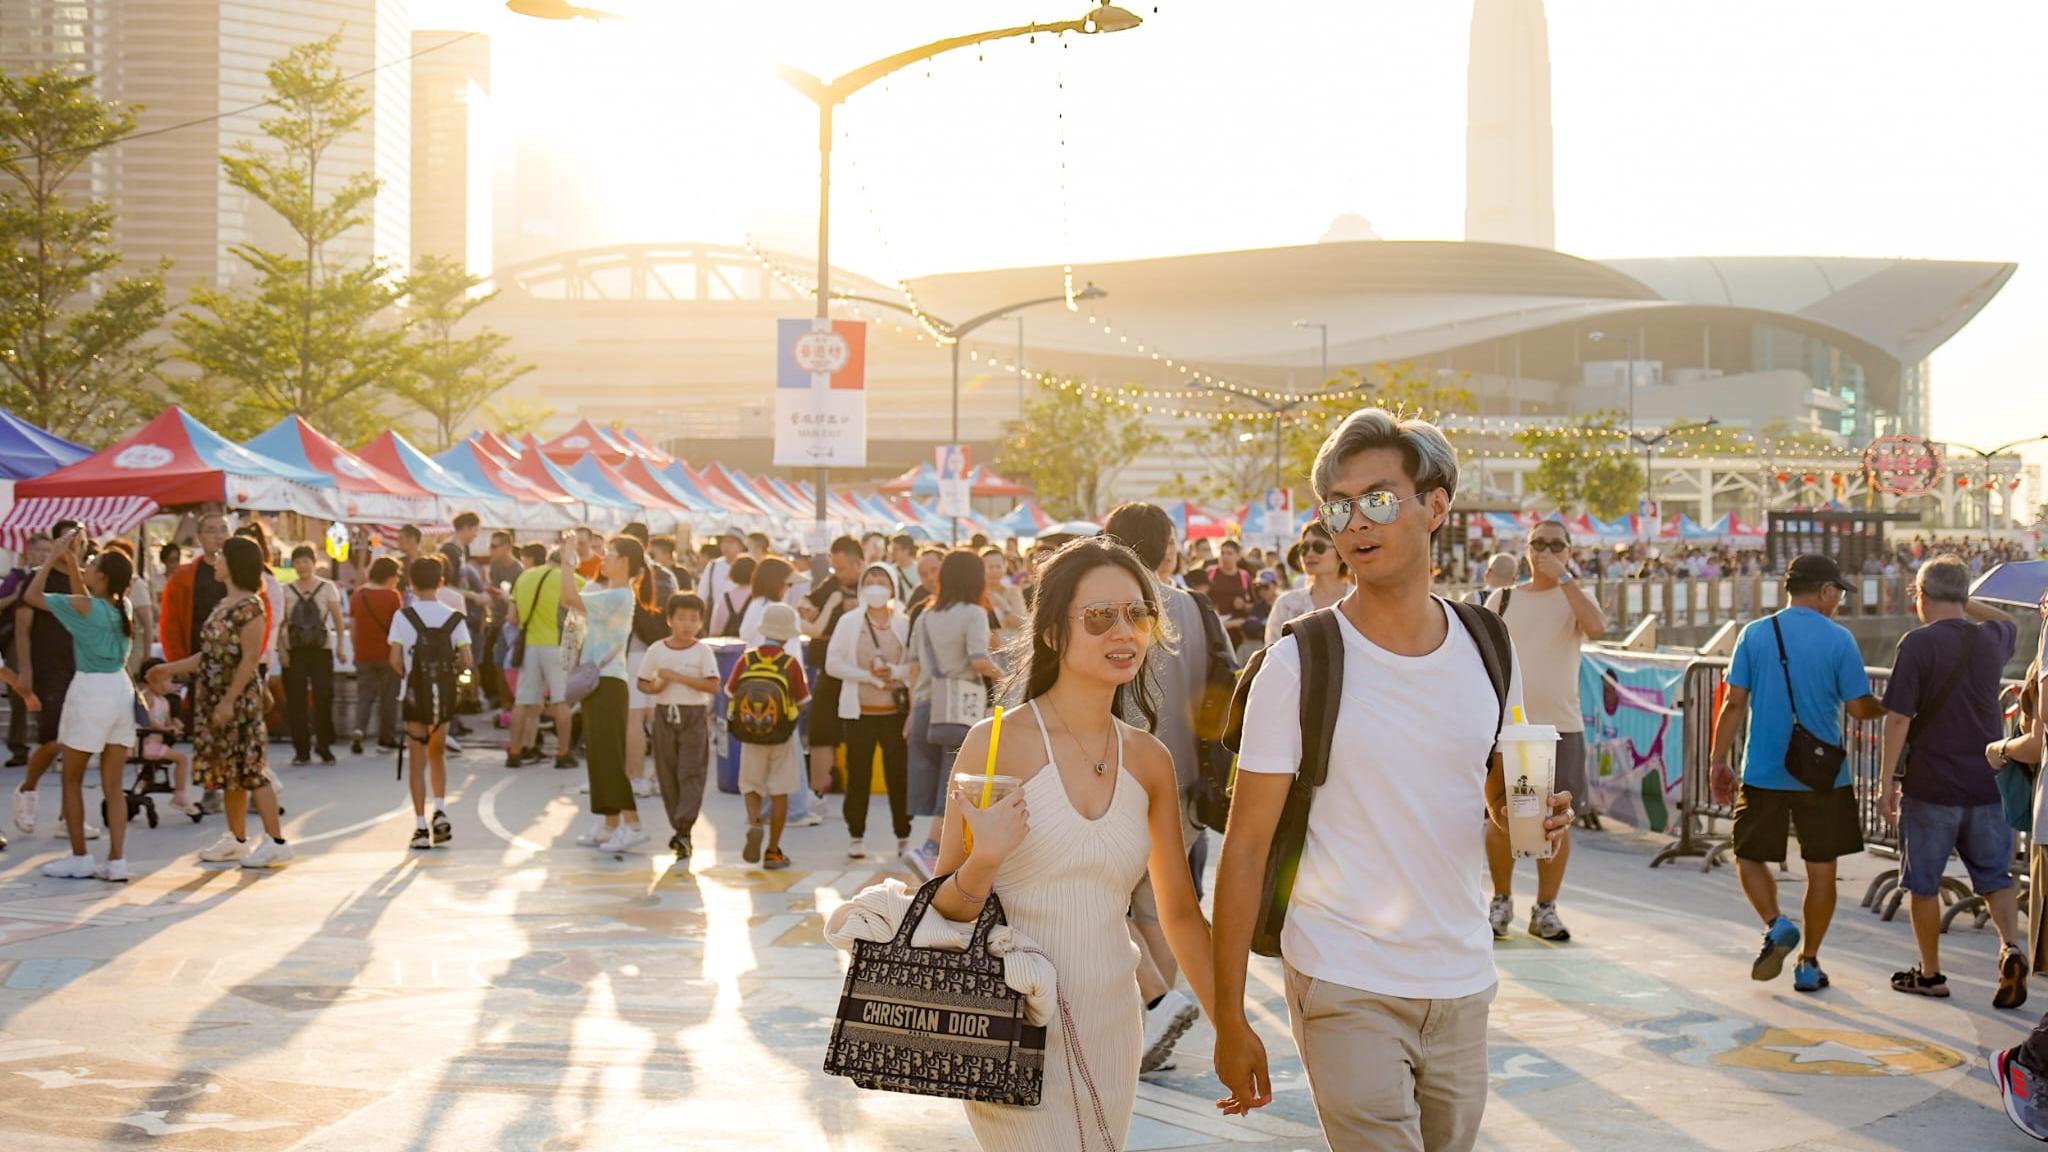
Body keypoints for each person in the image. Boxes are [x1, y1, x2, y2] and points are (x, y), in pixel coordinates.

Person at [1214, 408, 1567, 1151]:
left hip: (1463, 976)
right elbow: (1243, 851)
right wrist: (1229, 1017)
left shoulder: (1486, 642)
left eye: (1377, 499)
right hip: (1344, 975)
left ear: (1436, 507)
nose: (1355, 524)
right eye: (1338, 507)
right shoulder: (1298, 663)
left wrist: (1528, 818)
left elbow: (1498, 796)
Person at [917, 537, 1240, 1148]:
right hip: (1010, 1024)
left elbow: (1176, 911)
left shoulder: (1148, 760)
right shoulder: (997, 744)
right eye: (1098, 617)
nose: (1123, 631)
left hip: (1112, 1025)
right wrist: (984, 857)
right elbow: (943, 910)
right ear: (1052, 634)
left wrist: (1230, 1021)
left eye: (1137, 613)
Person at [1707, 553, 1885, 993]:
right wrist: (1894, 705)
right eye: (1838, 592)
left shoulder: (1754, 634)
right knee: (1821, 869)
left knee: (1748, 856)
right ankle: (1808, 962)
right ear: (1825, 590)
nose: (1839, 601)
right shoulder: (1840, 639)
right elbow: (1860, 710)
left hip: (1764, 770)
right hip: (1824, 776)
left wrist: (1716, 761)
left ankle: (1776, 923)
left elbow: (1734, 703)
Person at [1102, 500, 1223, 1073]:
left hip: (1114, 773)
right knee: (1162, 906)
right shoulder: (1197, 607)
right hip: (1185, 781)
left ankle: (1151, 1012)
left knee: (1099, 898)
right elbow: (1222, 692)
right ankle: (1158, 1018)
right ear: (1169, 547)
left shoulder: (1104, 605)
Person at [1878, 554, 2023, 1005]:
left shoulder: (1917, 644)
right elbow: (2008, 621)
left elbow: (1899, 719)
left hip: (1931, 786)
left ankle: (1931, 973)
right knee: (1996, 877)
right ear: (1962, 596)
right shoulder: (1992, 639)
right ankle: (2011, 948)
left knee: (1923, 883)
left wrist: (1885, 783)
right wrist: (1969, 600)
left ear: (1921, 597)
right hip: (1987, 782)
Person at [1484, 519, 1607, 942]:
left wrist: (1566, 579)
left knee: (1556, 817)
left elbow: (1597, 628)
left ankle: (1546, 908)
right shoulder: (1502, 599)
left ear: (1570, 551)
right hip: (1508, 728)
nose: (1548, 552)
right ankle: (1500, 901)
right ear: (1526, 550)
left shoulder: (1575, 598)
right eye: (1540, 544)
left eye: (1558, 545)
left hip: (1560, 727)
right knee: (1501, 817)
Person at [149, 535, 293, 870]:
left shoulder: (250, 607)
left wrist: (229, 700)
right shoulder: (223, 605)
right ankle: (237, 838)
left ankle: (276, 841)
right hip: (213, 695)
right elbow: (210, 655)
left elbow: (248, 659)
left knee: (252, 769)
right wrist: (169, 667)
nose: (215, 561)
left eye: (222, 557)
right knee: (229, 772)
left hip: (237, 699)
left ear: (235, 564)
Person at [26, 531, 136, 881]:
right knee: (113, 784)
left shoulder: (86, 607)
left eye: (92, 565)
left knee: (71, 779)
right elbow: (85, 597)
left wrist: (50, 559)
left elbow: (32, 596)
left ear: (102, 577)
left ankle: (80, 857)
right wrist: (73, 562)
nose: (87, 567)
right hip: (121, 689)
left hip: (90, 690)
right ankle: (116, 861)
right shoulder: (122, 606)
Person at [901, 552, 1003, 876]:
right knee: (955, 783)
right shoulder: (974, 612)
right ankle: (930, 849)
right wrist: (1008, 676)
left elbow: (914, 668)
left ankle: (933, 850)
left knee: (935, 782)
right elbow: (977, 659)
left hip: (924, 707)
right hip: (958, 708)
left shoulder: (925, 616)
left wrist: (910, 711)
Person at [558, 533, 648, 852]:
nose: (603, 558)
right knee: (598, 753)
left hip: (608, 682)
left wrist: (568, 561)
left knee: (609, 755)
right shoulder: (614, 593)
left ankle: (632, 823)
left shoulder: (619, 596)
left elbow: (569, 598)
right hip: (604, 681)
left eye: (609, 554)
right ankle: (609, 823)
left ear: (624, 561)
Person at [13, 520, 97, 842]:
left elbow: (90, 612)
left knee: (77, 744)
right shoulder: (38, 578)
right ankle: (27, 789)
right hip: (48, 668)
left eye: (82, 539)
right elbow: (23, 627)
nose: (77, 545)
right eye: (70, 539)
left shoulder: (85, 578)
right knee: (52, 740)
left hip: (82, 667)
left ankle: (68, 817)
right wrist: (25, 669)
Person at [826, 561, 914, 860]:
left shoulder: (904, 621)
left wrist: (895, 672)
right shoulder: (849, 621)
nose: (876, 584)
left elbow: (916, 664)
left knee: (898, 775)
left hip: (895, 713)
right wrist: (867, 676)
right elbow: (833, 663)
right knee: (858, 774)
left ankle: (903, 834)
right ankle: (856, 834)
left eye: (882, 579)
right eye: (870, 578)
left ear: (892, 586)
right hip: (859, 712)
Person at [388, 557, 473, 850]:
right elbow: (467, 660)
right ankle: (440, 809)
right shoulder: (454, 618)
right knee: (438, 753)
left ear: (410, 584)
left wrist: (412, 673)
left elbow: (395, 661)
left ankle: (421, 827)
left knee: (417, 760)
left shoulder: (403, 617)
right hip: (443, 696)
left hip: (414, 696)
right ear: (441, 583)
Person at [636, 593, 719, 860]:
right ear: (669, 620)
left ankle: (685, 828)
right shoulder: (656, 650)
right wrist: (658, 686)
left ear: (700, 623)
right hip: (664, 714)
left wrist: (677, 677)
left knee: (691, 772)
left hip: (693, 714)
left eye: (693, 619)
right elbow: (642, 682)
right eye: (681, 618)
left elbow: (712, 685)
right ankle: (678, 827)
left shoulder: (702, 651)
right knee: (667, 773)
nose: (687, 624)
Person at [731, 602, 809, 871]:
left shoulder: (747, 659)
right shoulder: (790, 663)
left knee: (751, 785)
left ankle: (754, 822)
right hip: (781, 737)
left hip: (751, 736)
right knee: (780, 791)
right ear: (787, 635)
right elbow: (802, 700)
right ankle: (773, 852)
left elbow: (731, 692)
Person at [800, 536, 864, 802]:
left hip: (863, 671)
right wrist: (808, 608)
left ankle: (857, 787)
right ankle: (819, 791)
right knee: (821, 728)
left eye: (841, 568)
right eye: (834, 568)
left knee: (860, 730)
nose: (837, 574)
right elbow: (807, 603)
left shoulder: (873, 582)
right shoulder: (833, 585)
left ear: (858, 564)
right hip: (829, 667)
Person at [508, 541, 579, 769]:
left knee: (522, 701)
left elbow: (512, 617)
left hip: (529, 646)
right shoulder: (571, 579)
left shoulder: (524, 577)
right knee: (561, 701)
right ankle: (563, 752)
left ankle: (515, 751)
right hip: (556, 646)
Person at [281, 544, 344, 766]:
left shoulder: (328, 588)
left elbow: (337, 619)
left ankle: (324, 745)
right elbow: (280, 623)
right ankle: (301, 749)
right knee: (296, 701)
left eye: (306, 561)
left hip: (321, 649)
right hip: (294, 651)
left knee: (324, 697)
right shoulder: (285, 590)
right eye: (297, 562)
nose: (301, 566)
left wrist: (340, 646)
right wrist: (281, 651)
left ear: (314, 563)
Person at [349, 556, 404, 755]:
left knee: (364, 695)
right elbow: (398, 628)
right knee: (388, 698)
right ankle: (385, 739)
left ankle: (359, 729)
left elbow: (353, 627)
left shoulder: (358, 594)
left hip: (364, 653)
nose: (397, 579)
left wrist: (356, 649)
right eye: (396, 575)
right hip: (388, 654)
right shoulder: (393, 596)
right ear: (389, 576)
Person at [1266, 521, 1348, 646]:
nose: (1309, 554)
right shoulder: (1286, 603)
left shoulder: (1361, 600)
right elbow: (1271, 652)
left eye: (1318, 547)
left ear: (1340, 551)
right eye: (1304, 548)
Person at [1205, 538, 1253, 648]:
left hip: (1237, 634)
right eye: (1222, 553)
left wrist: (1244, 606)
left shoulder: (1244, 576)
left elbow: (1254, 605)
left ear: (1238, 556)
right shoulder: (1210, 573)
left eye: (1229, 553)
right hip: (1213, 630)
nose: (1225, 557)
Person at [708, 555, 757, 639]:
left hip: (727, 648)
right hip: (749, 648)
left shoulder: (725, 597)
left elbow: (714, 632)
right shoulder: (757, 598)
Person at [699, 529, 744, 618]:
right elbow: (702, 593)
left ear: (741, 546)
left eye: (731, 542)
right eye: (724, 541)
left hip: (739, 618)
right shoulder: (713, 566)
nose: (726, 545)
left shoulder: (747, 567)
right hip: (715, 618)